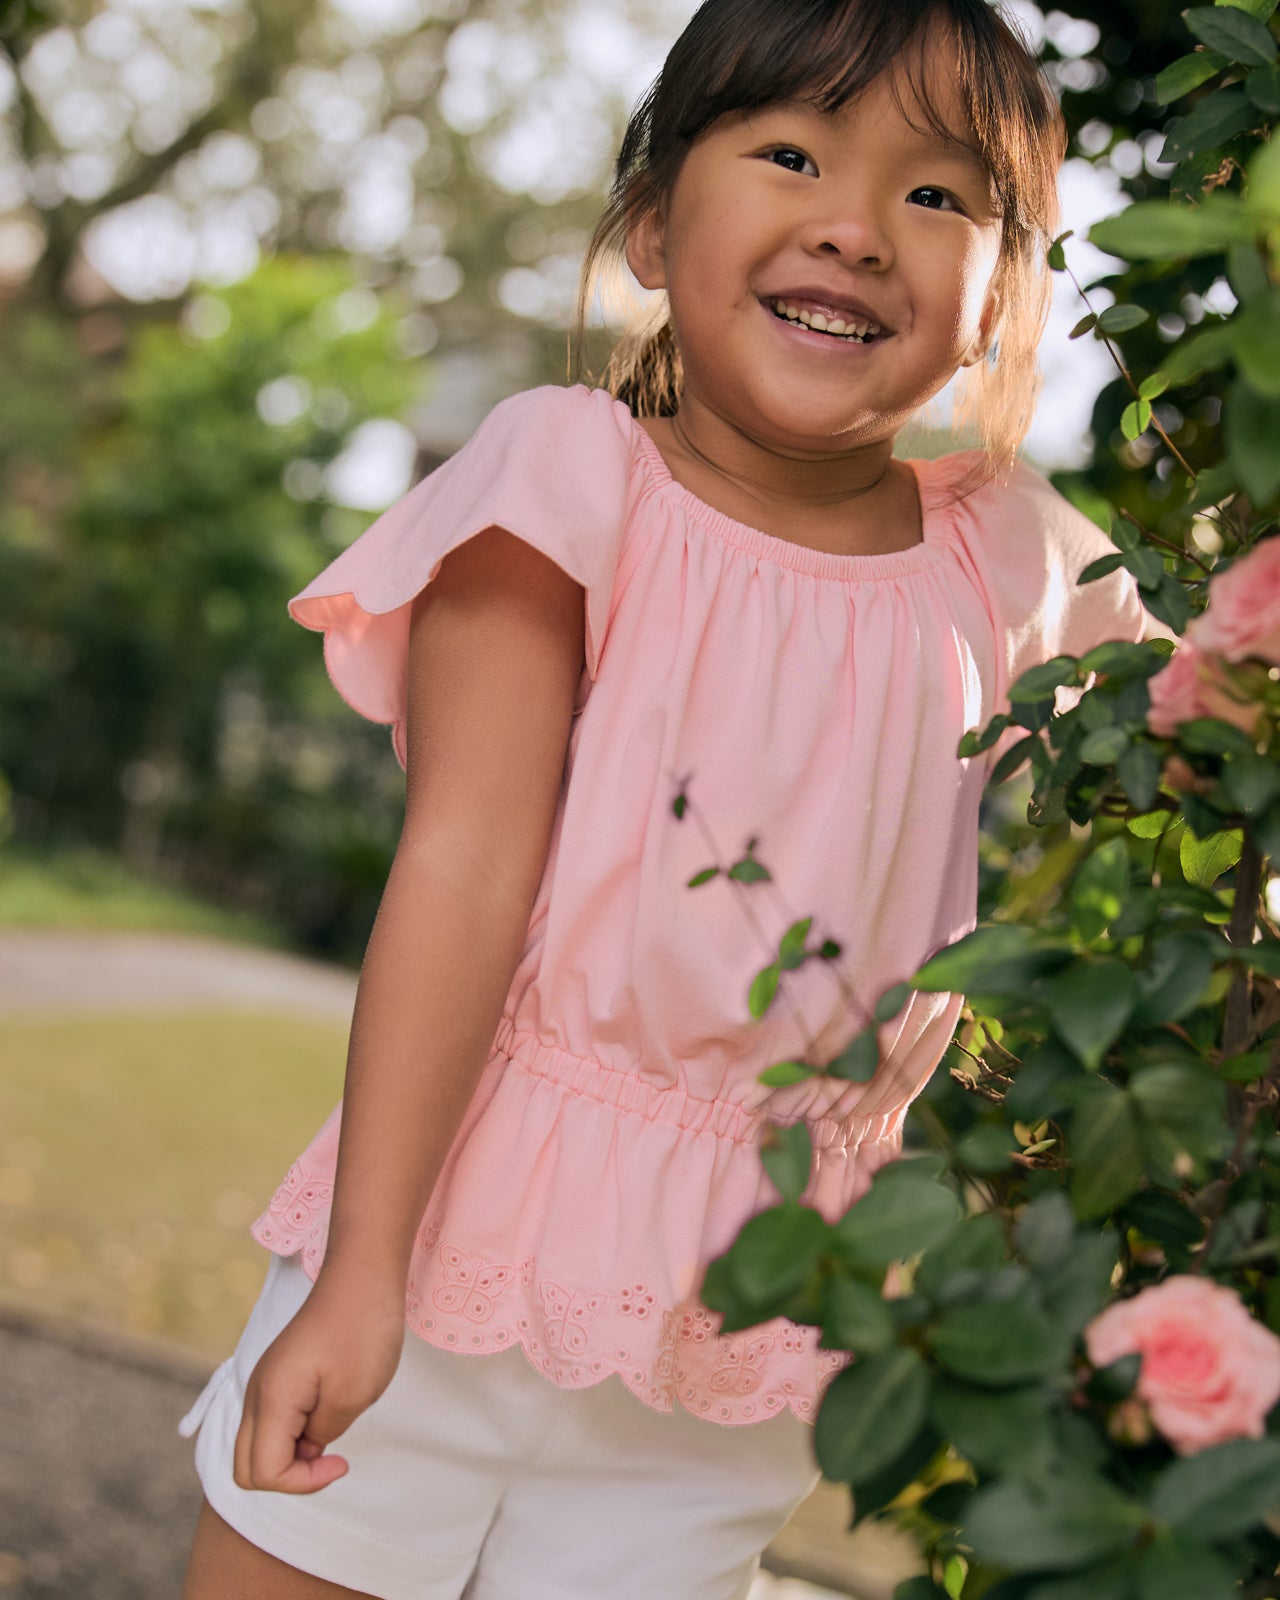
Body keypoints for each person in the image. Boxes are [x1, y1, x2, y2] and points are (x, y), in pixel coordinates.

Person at [179, 1, 1149, 1596]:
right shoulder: (572, 479)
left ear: (997, 303)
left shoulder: (1009, 554)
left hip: (758, 1317)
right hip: (451, 1251)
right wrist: (359, 1277)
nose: (854, 225)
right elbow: (466, 865)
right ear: (648, 221)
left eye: (936, 196)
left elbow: (1212, 725)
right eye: (790, 153)